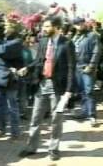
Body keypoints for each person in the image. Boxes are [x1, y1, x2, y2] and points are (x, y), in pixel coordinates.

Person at [18, 16, 75, 161]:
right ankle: (31, 147)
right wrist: (27, 68)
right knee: (35, 118)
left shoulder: (67, 44)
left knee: (56, 119)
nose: (44, 29)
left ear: (57, 28)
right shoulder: (43, 41)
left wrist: (68, 91)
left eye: (47, 26)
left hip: (57, 88)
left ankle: (54, 149)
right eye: (44, 26)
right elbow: (39, 61)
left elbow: (71, 68)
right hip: (42, 84)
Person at [0, 18, 23, 139]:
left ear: (13, 28)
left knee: (12, 107)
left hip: (10, 78)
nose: (4, 28)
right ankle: (1, 129)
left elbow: (1, 51)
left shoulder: (17, 42)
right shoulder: (3, 40)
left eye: (6, 26)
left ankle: (15, 132)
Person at [72, 17, 101, 126]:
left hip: (87, 67)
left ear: (84, 24)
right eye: (77, 24)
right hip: (77, 67)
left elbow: (96, 51)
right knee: (82, 91)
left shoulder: (92, 35)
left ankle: (92, 115)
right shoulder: (75, 37)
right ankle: (84, 112)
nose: (80, 25)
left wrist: (91, 65)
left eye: (81, 23)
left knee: (89, 91)